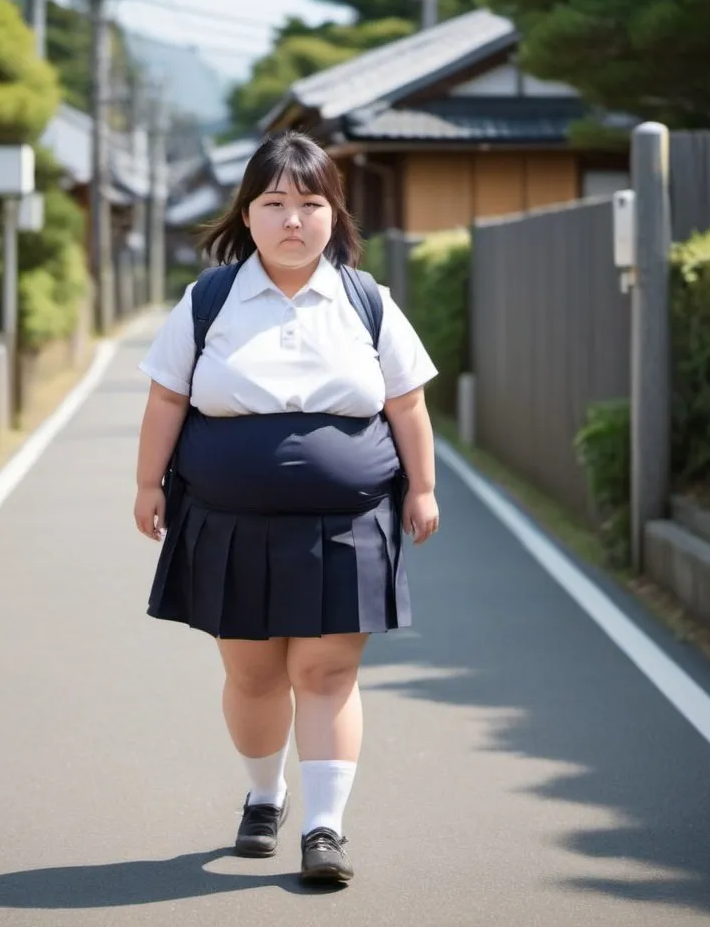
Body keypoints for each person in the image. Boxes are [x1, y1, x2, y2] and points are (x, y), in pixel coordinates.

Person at [133, 130, 439, 885]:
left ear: (335, 215)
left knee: (329, 671)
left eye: (310, 203)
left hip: (348, 523)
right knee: (255, 675)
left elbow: (407, 404)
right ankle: (264, 798)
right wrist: (146, 485)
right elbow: (168, 396)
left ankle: (325, 828)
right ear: (247, 214)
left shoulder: (368, 303)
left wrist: (424, 488)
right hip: (226, 523)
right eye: (275, 204)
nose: (293, 220)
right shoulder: (209, 300)